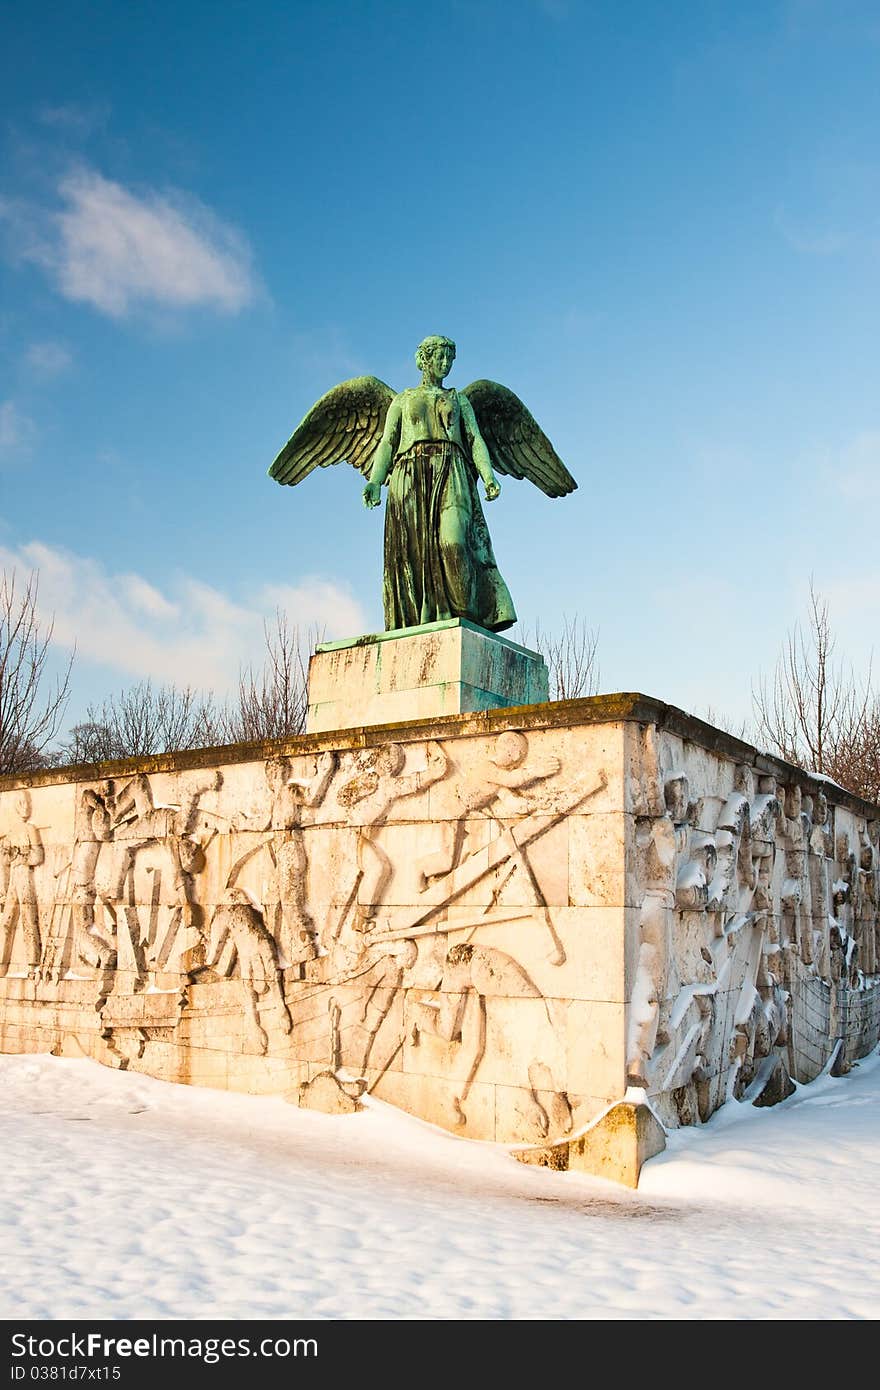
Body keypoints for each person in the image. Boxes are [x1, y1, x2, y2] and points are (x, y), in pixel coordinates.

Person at [362, 335, 517, 633]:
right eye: (439, 358)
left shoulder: (460, 400)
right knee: (415, 558)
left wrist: (488, 475)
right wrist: (375, 481)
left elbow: (474, 440)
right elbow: (387, 442)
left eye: (449, 359)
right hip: (409, 475)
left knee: (454, 543)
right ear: (424, 359)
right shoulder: (403, 400)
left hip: (451, 470)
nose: (445, 364)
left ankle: (464, 618)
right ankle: (429, 619)